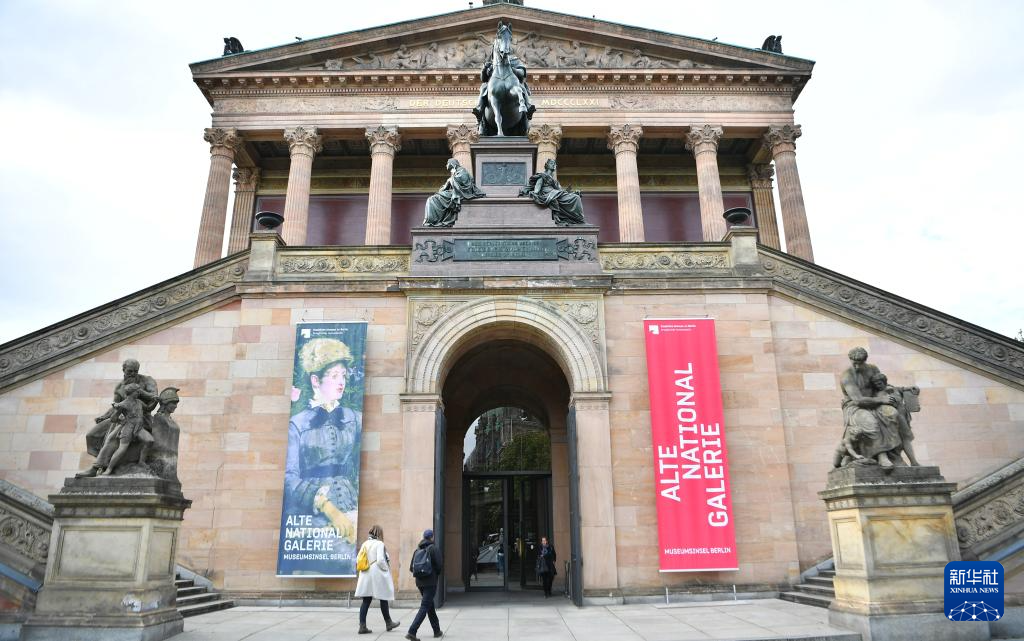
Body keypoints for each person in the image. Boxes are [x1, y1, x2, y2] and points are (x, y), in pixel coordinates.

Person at [281, 338, 362, 573]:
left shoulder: (354, 418)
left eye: (343, 376)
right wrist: (329, 508)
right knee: (347, 558)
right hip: (312, 514)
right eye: (334, 376)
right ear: (315, 380)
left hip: (351, 508)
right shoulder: (298, 424)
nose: (341, 382)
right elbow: (289, 478)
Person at [77, 358, 159, 477]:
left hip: (141, 418)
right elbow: (116, 407)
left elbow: (152, 399)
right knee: (92, 434)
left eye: (135, 371)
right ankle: (102, 463)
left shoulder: (147, 380)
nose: (133, 374)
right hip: (123, 416)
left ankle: (97, 467)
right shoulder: (120, 387)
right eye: (130, 371)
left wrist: (142, 393)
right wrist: (103, 416)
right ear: (123, 370)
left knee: (113, 436)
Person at [836, 347, 902, 468]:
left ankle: (895, 455)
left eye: (860, 363)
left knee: (892, 414)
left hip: (875, 403)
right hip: (854, 407)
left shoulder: (873, 369)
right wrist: (881, 400)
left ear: (865, 361)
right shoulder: (847, 376)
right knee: (870, 422)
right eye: (854, 363)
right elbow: (858, 400)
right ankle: (882, 456)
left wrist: (896, 392)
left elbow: (882, 386)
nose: (857, 366)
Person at [354, 525, 400, 635]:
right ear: (379, 534)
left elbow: (358, 559)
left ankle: (362, 626)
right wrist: (386, 569)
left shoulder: (365, 543)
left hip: (365, 574)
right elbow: (380, 560)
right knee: (383, 597)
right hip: (376, 574)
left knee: (366, 600)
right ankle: (388, 623)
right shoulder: (379, 544)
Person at [101, 383, 154, 475]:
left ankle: (141, 462)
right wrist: (121, 421)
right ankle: (109, 469)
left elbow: (148, 409)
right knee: (122, 448)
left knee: (149, 441)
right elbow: (113, 418)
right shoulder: (123, 404)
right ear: (131, 392)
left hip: (139, 428)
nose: (139, 393)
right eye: (137, 391)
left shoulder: (139, 402)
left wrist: (155, 401)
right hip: (128, 428)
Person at [519, 159, 586, 226]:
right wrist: (534, 193)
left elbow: (561, 191)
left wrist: (573, 193)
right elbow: (537, 188)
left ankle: (578, 220)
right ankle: (574, 219)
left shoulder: (555, 181)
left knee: (576, 197)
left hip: (556, 193)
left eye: (554, 164)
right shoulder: (542, 176)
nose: (553, 165)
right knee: (559, 197)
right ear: (547, 165)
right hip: (547, 193)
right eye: (551, 163)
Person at [423, 158, 486, 228]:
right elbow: (447, 186)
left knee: (433, 199)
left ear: (452, 163)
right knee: (432, 199)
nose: (446, 165)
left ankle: (434, 221)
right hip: (454, 192)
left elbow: (466, 184)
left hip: (460, 193)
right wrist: (449, 181)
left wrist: (451, 179)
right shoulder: (456, 172)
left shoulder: (462, 170)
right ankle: (434, 221)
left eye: (447, 163)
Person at [406, 529, 443, 641]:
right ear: (432, 537)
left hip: (420, 583)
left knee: (429, 606)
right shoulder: (433, 548)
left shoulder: (417, 550)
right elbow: (439, 566)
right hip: (430, 582)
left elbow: (411, 568)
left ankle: (437, 630)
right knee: (425, 606)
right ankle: (412, 631)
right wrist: (434, 574)